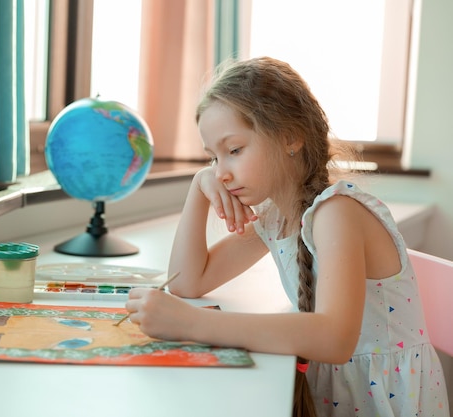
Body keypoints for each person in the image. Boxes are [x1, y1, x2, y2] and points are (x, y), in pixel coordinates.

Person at [124, 57, 449, 417]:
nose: (222, 174)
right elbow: (188, 282)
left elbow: (334, 339)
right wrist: (198, 190)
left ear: (291, 137)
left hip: (380, 400)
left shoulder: (337, 212)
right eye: (213, 158)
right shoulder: (277, 218)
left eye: (233, 151)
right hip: (340, 392)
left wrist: (193, 323)